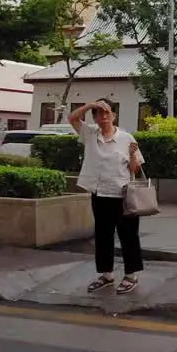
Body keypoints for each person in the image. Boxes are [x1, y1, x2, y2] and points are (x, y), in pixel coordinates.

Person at [68, 99, 145, 295]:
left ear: (114, 115)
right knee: (103, 236)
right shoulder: (90, 133)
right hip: (99, 193)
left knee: (128, 236)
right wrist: (89, 105)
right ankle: (107, 274)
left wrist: (133, 155)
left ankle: (131, 276)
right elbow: (72, 118)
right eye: (99, 114)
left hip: (123, 195)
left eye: (107, 113)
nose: (104, 117)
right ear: (94, 118)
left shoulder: (126, 138)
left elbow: (135, 169)